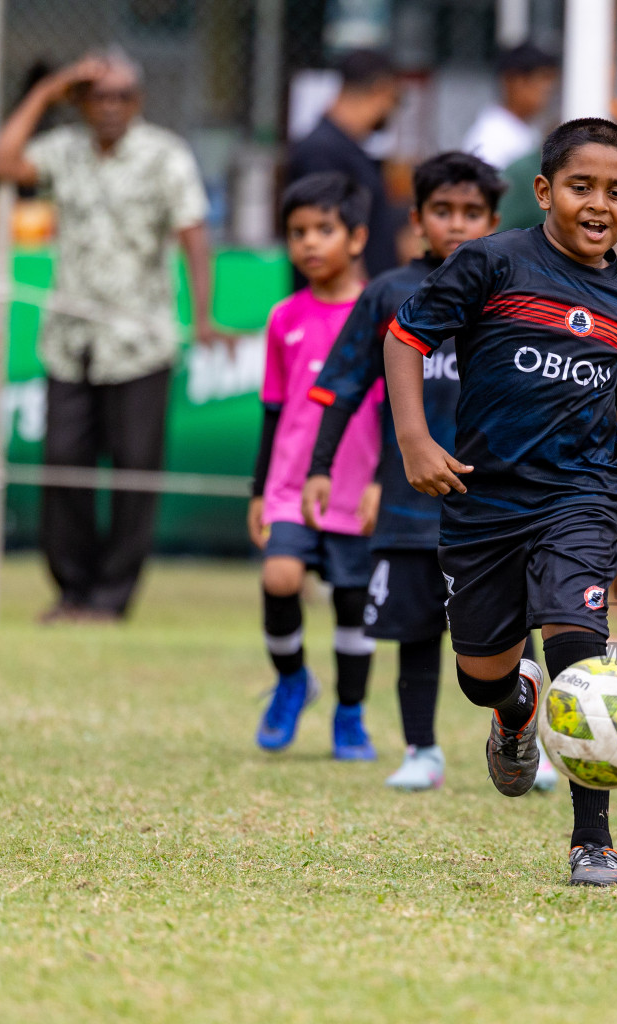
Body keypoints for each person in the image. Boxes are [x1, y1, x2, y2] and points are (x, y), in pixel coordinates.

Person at [383, 119, 617, 887]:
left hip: (580, 499)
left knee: (579, 653)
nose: (598, 204)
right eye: (581, 187)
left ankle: (593, 841)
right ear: (546, 191)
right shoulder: (492, 262)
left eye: (616, 192)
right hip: (482, 501)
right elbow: (405, 336)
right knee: (481, 674)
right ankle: (513, 709)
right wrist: (415, 439)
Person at [300, 152, 548, 791]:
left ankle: (527, 745)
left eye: (472, 213)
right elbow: (344, 383)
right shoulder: (388, 293)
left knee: (512, 629)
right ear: (417, 219)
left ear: (495, 220)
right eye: (443, 211)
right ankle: (422, 751)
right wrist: (321, 466)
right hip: (413, 507)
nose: (457, 224)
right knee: (416, 631)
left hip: (498, 505)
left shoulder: (520, 289)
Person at [0, 50, 222, 623]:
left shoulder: (165, 155)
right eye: (98, 95)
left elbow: (193, 235)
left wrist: (204, 316)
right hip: (69, 340)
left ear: (137, 102)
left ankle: (111, 598)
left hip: (140, 341)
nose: (110, 106)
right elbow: (0, 161)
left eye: (121, 96)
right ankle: (72, 590)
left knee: (135, 473)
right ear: (83, 102)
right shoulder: (63, 150)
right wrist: (51, 89)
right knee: (63, 463)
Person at [249, 174, 381, 760]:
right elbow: (274, 412)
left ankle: (349, 715)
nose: (309, 243)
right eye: (297, 232)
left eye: (323, 230)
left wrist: (385, 481)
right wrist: (259, 490)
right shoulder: (284, 318)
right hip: (290, 487)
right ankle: (293, 680)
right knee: (279, 578)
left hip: (359, 491)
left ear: (356, 238)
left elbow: (397, 411)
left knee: (354, 605)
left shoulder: (384, 315)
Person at [287, 50, 402, 279]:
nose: (392, 110)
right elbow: (327, 236)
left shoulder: (343, 149)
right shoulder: (322, 152)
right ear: (381, 89)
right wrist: (360, 305)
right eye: (395, 100)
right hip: (339, 310)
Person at [463, 42, 560, 171]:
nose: (548, 93)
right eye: (542, 83)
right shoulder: (489, 140)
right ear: (514, 81)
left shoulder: (527, 130)